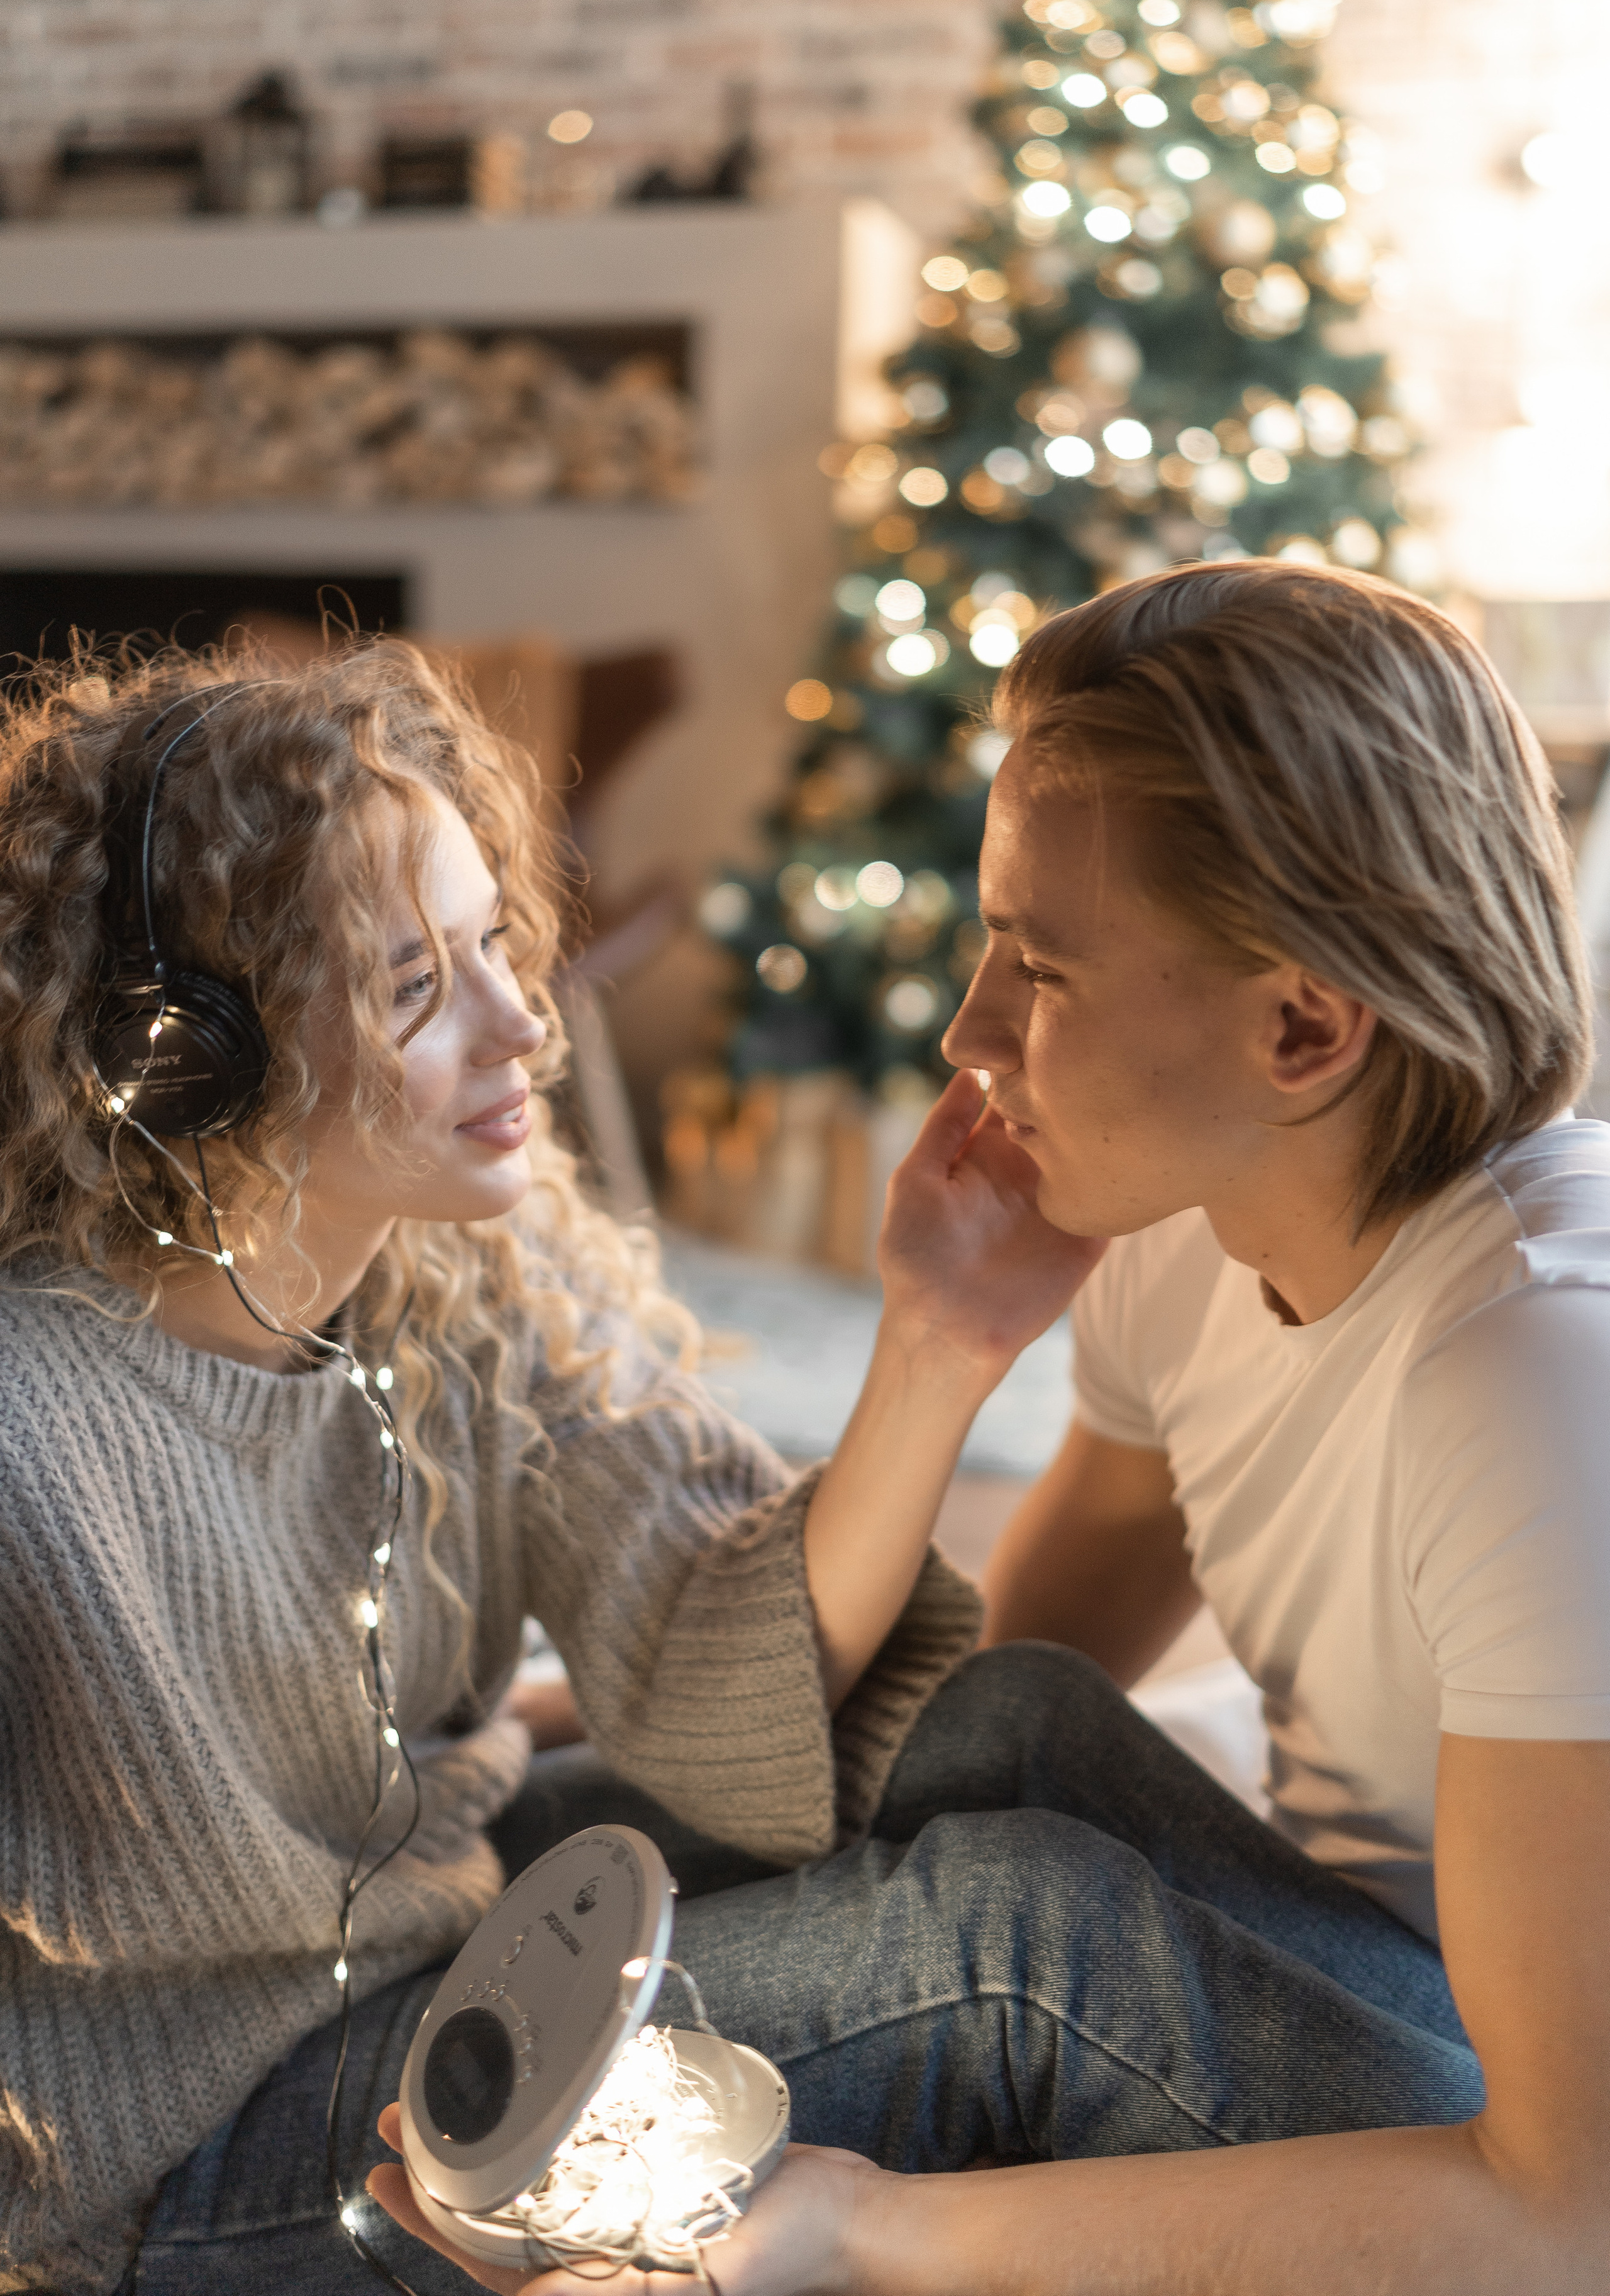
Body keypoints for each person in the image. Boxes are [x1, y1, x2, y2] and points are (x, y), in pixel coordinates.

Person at [367, 562, 1610, 2296]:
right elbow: (996, 1694)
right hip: (1356, 1978)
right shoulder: (1191, 1239)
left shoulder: (1541, 1375)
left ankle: (360, 2126)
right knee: (1009, 1717)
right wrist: (541, 1740)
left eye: (1040, 966)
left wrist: (875, 2230)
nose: (971, 1033)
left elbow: (1569, 2218)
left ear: (1305, 1025)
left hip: (1501, 2138)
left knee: (1032, 1927)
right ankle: (410, 1953)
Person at [0, 639, 1089, 2296]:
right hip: (190, 2169)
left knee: (1020, 1732)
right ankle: (1497, 2199)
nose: (525, 1023)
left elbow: (720, 1646)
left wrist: (940, 1341)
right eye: (417, 987)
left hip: (432, 1945)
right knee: (1019, 1946)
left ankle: (1490, 2128)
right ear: (185, 1059)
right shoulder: (30, 1421)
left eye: (493, 941)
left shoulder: (467, 1281)